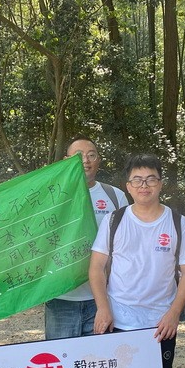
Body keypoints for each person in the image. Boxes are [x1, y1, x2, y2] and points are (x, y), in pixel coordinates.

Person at [88, 153, 185, 368]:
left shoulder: (179, 223)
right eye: (137, 180)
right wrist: (103, 308)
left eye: (151, 179)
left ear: (160, 183)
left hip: (159, 324)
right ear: (128, 186)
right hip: (118, 320)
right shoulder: (114, 221)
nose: (144, 185)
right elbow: (96, 267)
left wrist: (174, 313)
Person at [44, 136, 130, 340]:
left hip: (103, 299)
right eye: (78, 155)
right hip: (61, 298)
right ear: (66, 160)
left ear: (98, 160)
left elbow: (127, 247)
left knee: (98, 358)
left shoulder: (115, 196)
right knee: (61, 357)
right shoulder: (51, 197)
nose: (85, 160)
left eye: (91, 155)